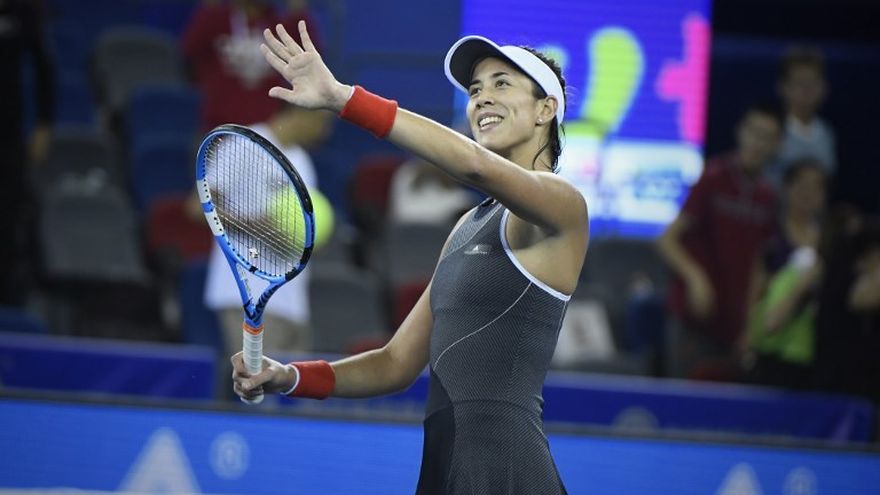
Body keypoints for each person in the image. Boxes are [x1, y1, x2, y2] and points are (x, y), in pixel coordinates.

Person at [233, 23, 588, 494]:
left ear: (546, 109)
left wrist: (343, 98)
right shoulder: (466, 227)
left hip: (504, 463)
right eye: (475, 89)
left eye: (502, 84)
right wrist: (289, 376)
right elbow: (394, 363)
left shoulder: (564, 205)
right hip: (443, 464)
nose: (482, 98)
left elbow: (474, 165)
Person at [657, 103, 783, 380]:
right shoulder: (714, 177)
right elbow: (667, 240)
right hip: (693, 319)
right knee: (683, 397)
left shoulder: (769, 197)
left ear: (778, 145)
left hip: (733, 328)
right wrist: (697, 279)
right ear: (740, 132)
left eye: (767, 137)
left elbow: (759, 266)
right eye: (753, 132)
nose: (757, 143)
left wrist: (750, 326)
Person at [202, 104, 330, 357]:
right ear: (299, 113)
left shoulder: (302, 161)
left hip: (292, 302)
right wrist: (263, 229)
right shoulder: (246, 143)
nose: (325, 132)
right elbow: (200, 207)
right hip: (246, 292)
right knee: (256, 379)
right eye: (322, 122)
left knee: (292, 381)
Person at [744, 159, 827, 390]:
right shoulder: (771, 234)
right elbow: (756, 288)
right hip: (773, 345)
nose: (807, 194)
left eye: (816, 188)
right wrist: (748, 335)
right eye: (801, 186)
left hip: (814, 350)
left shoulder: (828, 241)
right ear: (787, 188)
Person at [181, 0, 321, 131]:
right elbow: (190, 50)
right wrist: (210, 7)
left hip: (267, 132)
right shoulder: (215, 20)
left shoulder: (279, 24)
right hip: (218, 128)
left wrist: (297, 10)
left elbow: (309, 57)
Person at [0, 0, 54, 306]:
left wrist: (44, 123)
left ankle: (6, 297)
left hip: (9, 133)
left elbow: (44, 67)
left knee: (8, 215)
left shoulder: (23, 11)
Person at [765, 46, 836, 189]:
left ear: (824, 87)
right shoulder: (770, 131)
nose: (806, 90)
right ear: (782, 87)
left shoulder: (827, 134)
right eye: (799, 83)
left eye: (812, 83)